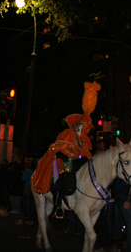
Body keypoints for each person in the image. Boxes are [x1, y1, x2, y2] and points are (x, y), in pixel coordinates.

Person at [31, 81, 101, 219]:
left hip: (78, 163)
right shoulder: (67, 134)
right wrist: (72, 150)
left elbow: (87, 155)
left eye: (86, 126)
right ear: (76, 125)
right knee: (60, 177)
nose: (85, 128)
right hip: (62, 161)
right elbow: (57, 147)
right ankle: (58, 206)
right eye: (83, 125)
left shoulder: (85, 139)